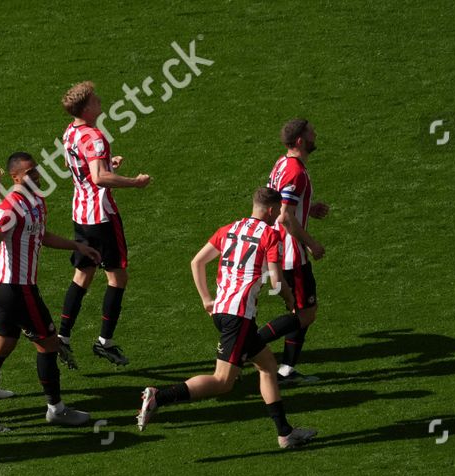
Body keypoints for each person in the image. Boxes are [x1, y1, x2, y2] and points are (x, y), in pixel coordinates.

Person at [136, 187, 317, 449]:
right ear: (269, 210)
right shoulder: (270, 235)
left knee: (266, 365)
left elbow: (196, 262)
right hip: (239, 316)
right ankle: (159, 397)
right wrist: (289, 299)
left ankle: (285, 433)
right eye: (278, 211)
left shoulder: (229, 229)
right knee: (223, 381)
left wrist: (206, 299)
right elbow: (276, 280)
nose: (279, 215)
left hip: (223, 309)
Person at [0, 153, 102, 432]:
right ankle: (56, 410)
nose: (37, 175)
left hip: (15, 287)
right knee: (48, 344)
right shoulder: (8, 209)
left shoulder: (36, 201)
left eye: (37, 170)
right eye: (30, 172)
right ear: (16, 177)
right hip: (15, 288)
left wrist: (77, 246)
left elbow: (41, 235)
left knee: (0, 348)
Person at [58, 82, 153, 368]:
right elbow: (99, 178)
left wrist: (108, 163)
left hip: (80, 214)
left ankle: (62, 336)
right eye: (96, 100)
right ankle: (105, 342)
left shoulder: (70, 132)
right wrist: (135, 183)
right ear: (87, 108)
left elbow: (75, 167)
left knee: (83, 274)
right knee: (117, 278)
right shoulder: (95, 136)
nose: (100, 102)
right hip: (101, 215)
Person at [267, 118, 329, 384]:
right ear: (302, 140)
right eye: (311, 132)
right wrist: (312, 243)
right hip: (291, 253)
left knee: (299, 310)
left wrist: (308, 208)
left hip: (278, 248)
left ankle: (287, 370)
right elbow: (286, 217)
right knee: (306, 313)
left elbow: (279, 203)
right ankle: (251, 344)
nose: (316, 134)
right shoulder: (296, 172)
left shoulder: (283, 163)